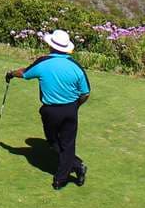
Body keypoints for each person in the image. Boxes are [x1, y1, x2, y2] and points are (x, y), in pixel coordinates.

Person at [6, 31, 90, 190]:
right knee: (65, 144)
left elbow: (24, 73)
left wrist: (11, 74)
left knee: (55, 141)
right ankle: (77, 166)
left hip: (50, 111)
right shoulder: (76, 67)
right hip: (70, 109)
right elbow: (85, 93)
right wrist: (76, 106)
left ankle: (61, 179)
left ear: (51, 46)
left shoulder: (43, 62)